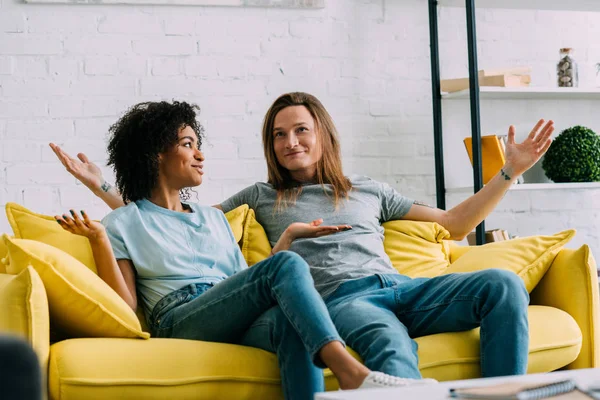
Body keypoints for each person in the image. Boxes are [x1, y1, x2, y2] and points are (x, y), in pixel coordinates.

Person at [53, 93, 554, 381]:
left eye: (300, 131)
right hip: (338, 301)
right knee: (386, 342)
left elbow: (455, 226)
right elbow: (150, 219)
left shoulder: (367, 191)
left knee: (503, 285)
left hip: (397, 283)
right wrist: (101, 191)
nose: (289, 142)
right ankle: (359, 375)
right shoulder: (260, 196)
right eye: (278, 134)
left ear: (323, 135)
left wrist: (507, 172)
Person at [50, 101, 430, 400]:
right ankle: (350, 373)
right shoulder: (122, 222)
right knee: (285, 265)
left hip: (224, 306)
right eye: (187, 145)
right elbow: (126, 306)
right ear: (155, 155)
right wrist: (99, 237)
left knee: (291, 324)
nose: (200, 155)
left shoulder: (214, 219)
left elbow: (243, 285)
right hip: (179, 318)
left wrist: (289, 240)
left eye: (198, 145)